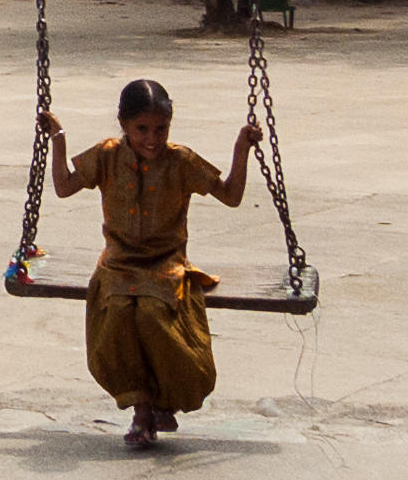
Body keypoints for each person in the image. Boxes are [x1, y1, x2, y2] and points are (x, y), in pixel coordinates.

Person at [41, 76, 261, 451]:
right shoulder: (106, 155)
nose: (152, 139)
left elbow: (231, 195)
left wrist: (242, 148)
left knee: (153, 314)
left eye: (161, 129)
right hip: (118, 262)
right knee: (118, 312)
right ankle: (141, 408)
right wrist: (57, 139)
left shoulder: (181, 161)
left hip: (165, 262)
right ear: (123, 125)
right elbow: (63, 186)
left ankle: (165, 401)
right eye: (142, 129)